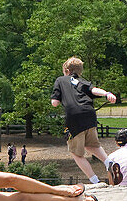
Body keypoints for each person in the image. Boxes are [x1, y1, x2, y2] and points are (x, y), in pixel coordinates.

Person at [50, 56, 117, 184]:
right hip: (89, 114)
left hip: (74, 118)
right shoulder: (82, 81)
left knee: (76, 153)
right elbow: (94, 90)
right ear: (79, 71)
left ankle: (95, 181)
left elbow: (55, 102)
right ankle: (109, 162)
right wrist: (107, 94)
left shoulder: (60, 80)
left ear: (67, 70)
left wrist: (56, 99)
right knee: (91, 145)